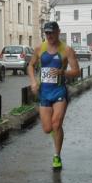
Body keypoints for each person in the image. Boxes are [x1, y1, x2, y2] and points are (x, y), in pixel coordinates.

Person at [28, 21, 80, 169]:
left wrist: (62, 72)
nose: (49, 35)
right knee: (47, 128)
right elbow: (30, 65)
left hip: (59, 91)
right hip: (44, 92)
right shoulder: (40, 48)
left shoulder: (66, 50)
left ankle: (57, 156)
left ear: (58, 32)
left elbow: (77, 71)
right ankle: (56, 133)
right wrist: (33, 82)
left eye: (52, 32)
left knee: (56, 123)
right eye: (47, 33)